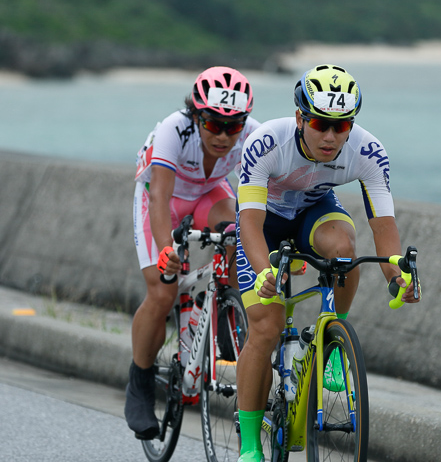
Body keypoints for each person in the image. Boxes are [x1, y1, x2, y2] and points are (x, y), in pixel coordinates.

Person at [233, 63, 421, 462]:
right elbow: (249, 222)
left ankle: (332, 340)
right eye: (321, 123)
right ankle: (250, 444)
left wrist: (397, 274)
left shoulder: (368, 151)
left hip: (312, 212)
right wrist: (264, 270)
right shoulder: (266, 142)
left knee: (344, 249)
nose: (332, 136)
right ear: (301, 117)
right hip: (264, 223)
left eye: (343, 125)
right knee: (265, 328)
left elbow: (383, 229)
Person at [126, 66, 260, 440]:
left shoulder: (253, 136)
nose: (222, 135)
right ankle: (139, 381)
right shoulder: (174, 128)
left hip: (207, 194)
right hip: (161, 199)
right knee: (162, 290)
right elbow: (159, 197)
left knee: (236, 232)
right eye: (212, 124)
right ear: (196, 115)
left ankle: (225, 314)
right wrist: (168, 250)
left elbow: (266, 200)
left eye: (232, 127)